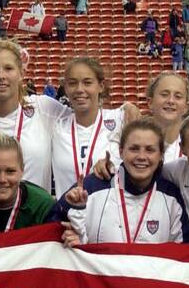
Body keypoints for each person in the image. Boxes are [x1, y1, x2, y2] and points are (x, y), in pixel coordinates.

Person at [61, 118, 189, 244]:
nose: (141, 156)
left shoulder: (172, 196)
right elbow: (53, 228)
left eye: (150, 150)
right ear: (121, 151)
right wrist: (71, 235)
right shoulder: (92, 187)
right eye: (134, 149)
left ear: (161, 155)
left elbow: (185, 250)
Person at [0, 39, 69, 191]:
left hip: (36, 213)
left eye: (8, 68)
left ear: (21, 73)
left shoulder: (44, 109)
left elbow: (83, 119)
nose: (1, 76)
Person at [48, 56, 138, 195]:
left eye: (87, 82)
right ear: (65, 88)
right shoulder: (55, 125)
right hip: (67, 214)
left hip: (110, 214)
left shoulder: (120, 119)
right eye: (72, 83)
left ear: (101, 86)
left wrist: (114, 166)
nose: (79, 89)